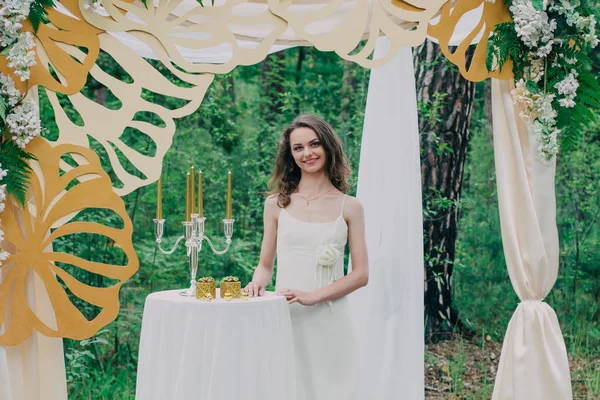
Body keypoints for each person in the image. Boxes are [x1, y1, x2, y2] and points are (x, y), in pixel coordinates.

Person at [244, 114, 369, 400]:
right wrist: (256, 284)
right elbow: (265, 265)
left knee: (333, 390)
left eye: (314, 144)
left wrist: (315, 296)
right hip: (287, 315)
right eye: (298, 148)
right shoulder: (275, 204)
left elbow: (361, 274)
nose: (307, 153)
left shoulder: (350, 207)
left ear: (328, 146)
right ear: (290, 155)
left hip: (330, 318)